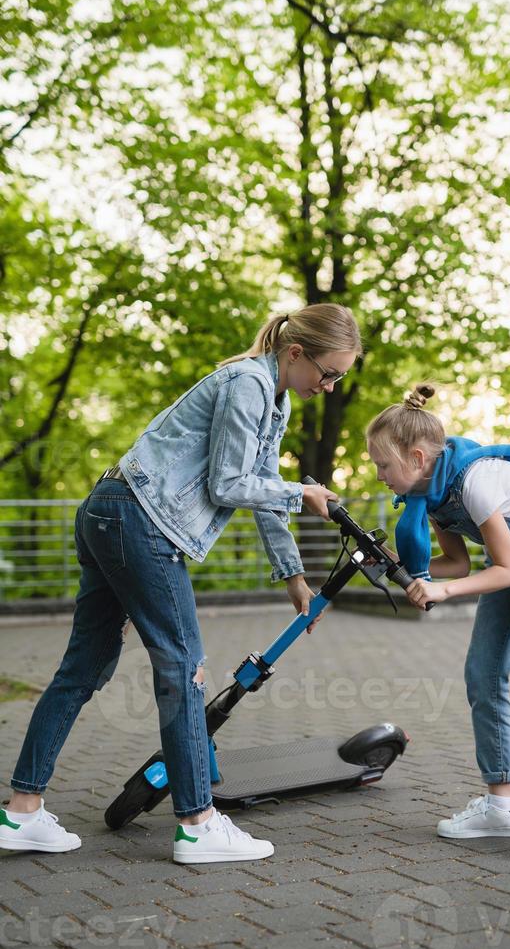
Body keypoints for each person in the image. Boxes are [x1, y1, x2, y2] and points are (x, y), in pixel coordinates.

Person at [1, 303, 361, 864]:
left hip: (109, 509)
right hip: (141, 522)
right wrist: (302, 493)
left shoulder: (275, 397)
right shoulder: (247, 382)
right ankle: (197, 823)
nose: (331, 386)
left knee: (82, 668)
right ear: (296, 354)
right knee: (183, 665)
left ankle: (22, 812)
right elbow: (230, 483)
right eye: (329, 372)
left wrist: (293, 577)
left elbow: (258, 482)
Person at [366, 383, 510, 863]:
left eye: (383, 466)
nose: (380, 476)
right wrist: (410, 572)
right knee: (483, 675)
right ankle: (502, 804)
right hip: (509, 559)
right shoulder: (429, 495)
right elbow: (459, 565)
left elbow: (508, 570)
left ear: (414, 456)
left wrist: (442, 591)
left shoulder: (475, 480)